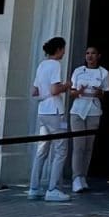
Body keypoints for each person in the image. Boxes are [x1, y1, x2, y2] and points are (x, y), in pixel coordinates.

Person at [28, 35, 70, 201]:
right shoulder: (55, 65)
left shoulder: (42, 65)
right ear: (59, 49)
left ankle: (34, 186)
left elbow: (34, 91)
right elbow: (54, 89)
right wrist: (66, 86)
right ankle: (53, 189)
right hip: (55, 110)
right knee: (61, 150)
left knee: (42, 150)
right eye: (63, 49)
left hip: (43, 110)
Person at [67, 44, 109, 193]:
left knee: (88, 146)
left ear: (98, 56)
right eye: (87, 53)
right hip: (78, 110)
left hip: (93, 110)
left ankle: (83, 176)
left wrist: (98, 92)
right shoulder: (78, 71)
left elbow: (104, 94)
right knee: (78, 145)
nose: (90, 56)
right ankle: (76, 177)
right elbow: (72, 92)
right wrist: (79, 91)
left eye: (93, 53)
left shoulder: (104, 73)